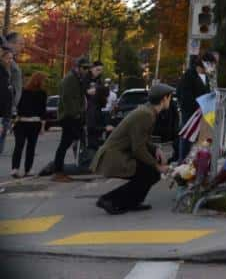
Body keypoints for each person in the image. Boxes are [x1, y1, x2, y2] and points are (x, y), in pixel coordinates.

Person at [92, 83, 174, 214]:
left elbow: (142, 139)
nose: (171, 100)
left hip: (120, 153)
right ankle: (109, 199)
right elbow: (138, 148)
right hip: (114, 156)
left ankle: (133, 202)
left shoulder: (148, 111)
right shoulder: (146, 114)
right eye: (170, 97)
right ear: (164, 98)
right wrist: (157, 166)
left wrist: (156, 149)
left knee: (150, 173)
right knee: (150, 172)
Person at [49, 58, 89, 181]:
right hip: (68, 116)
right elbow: (67, 99)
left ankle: (59, 170)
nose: (86, 70)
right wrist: (75, 113)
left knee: (67, 142)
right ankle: (57, 172)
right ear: (77, 67)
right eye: (84, 68)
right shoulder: (70, 79)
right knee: (64, 143)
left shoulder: (77, 78)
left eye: (87, 68)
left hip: (73, 116)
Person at [12, 72, 47, 177]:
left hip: (21, 122)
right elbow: (42, 111)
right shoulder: (42, 93)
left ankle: (15, 168)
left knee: (19, 146)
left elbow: (18, 107)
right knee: (31, 147)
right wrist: (42, 126)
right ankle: (28, 169)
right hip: (34, 123)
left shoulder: (23, 91)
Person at [175, 54, 209, 162]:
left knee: (198, 139)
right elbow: (184, 94)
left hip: (201, 111)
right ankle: (182, 160)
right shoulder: (189, 75)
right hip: (190, 111)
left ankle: (192, 161)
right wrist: (198, 105)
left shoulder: (206, 77)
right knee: (187, 136)